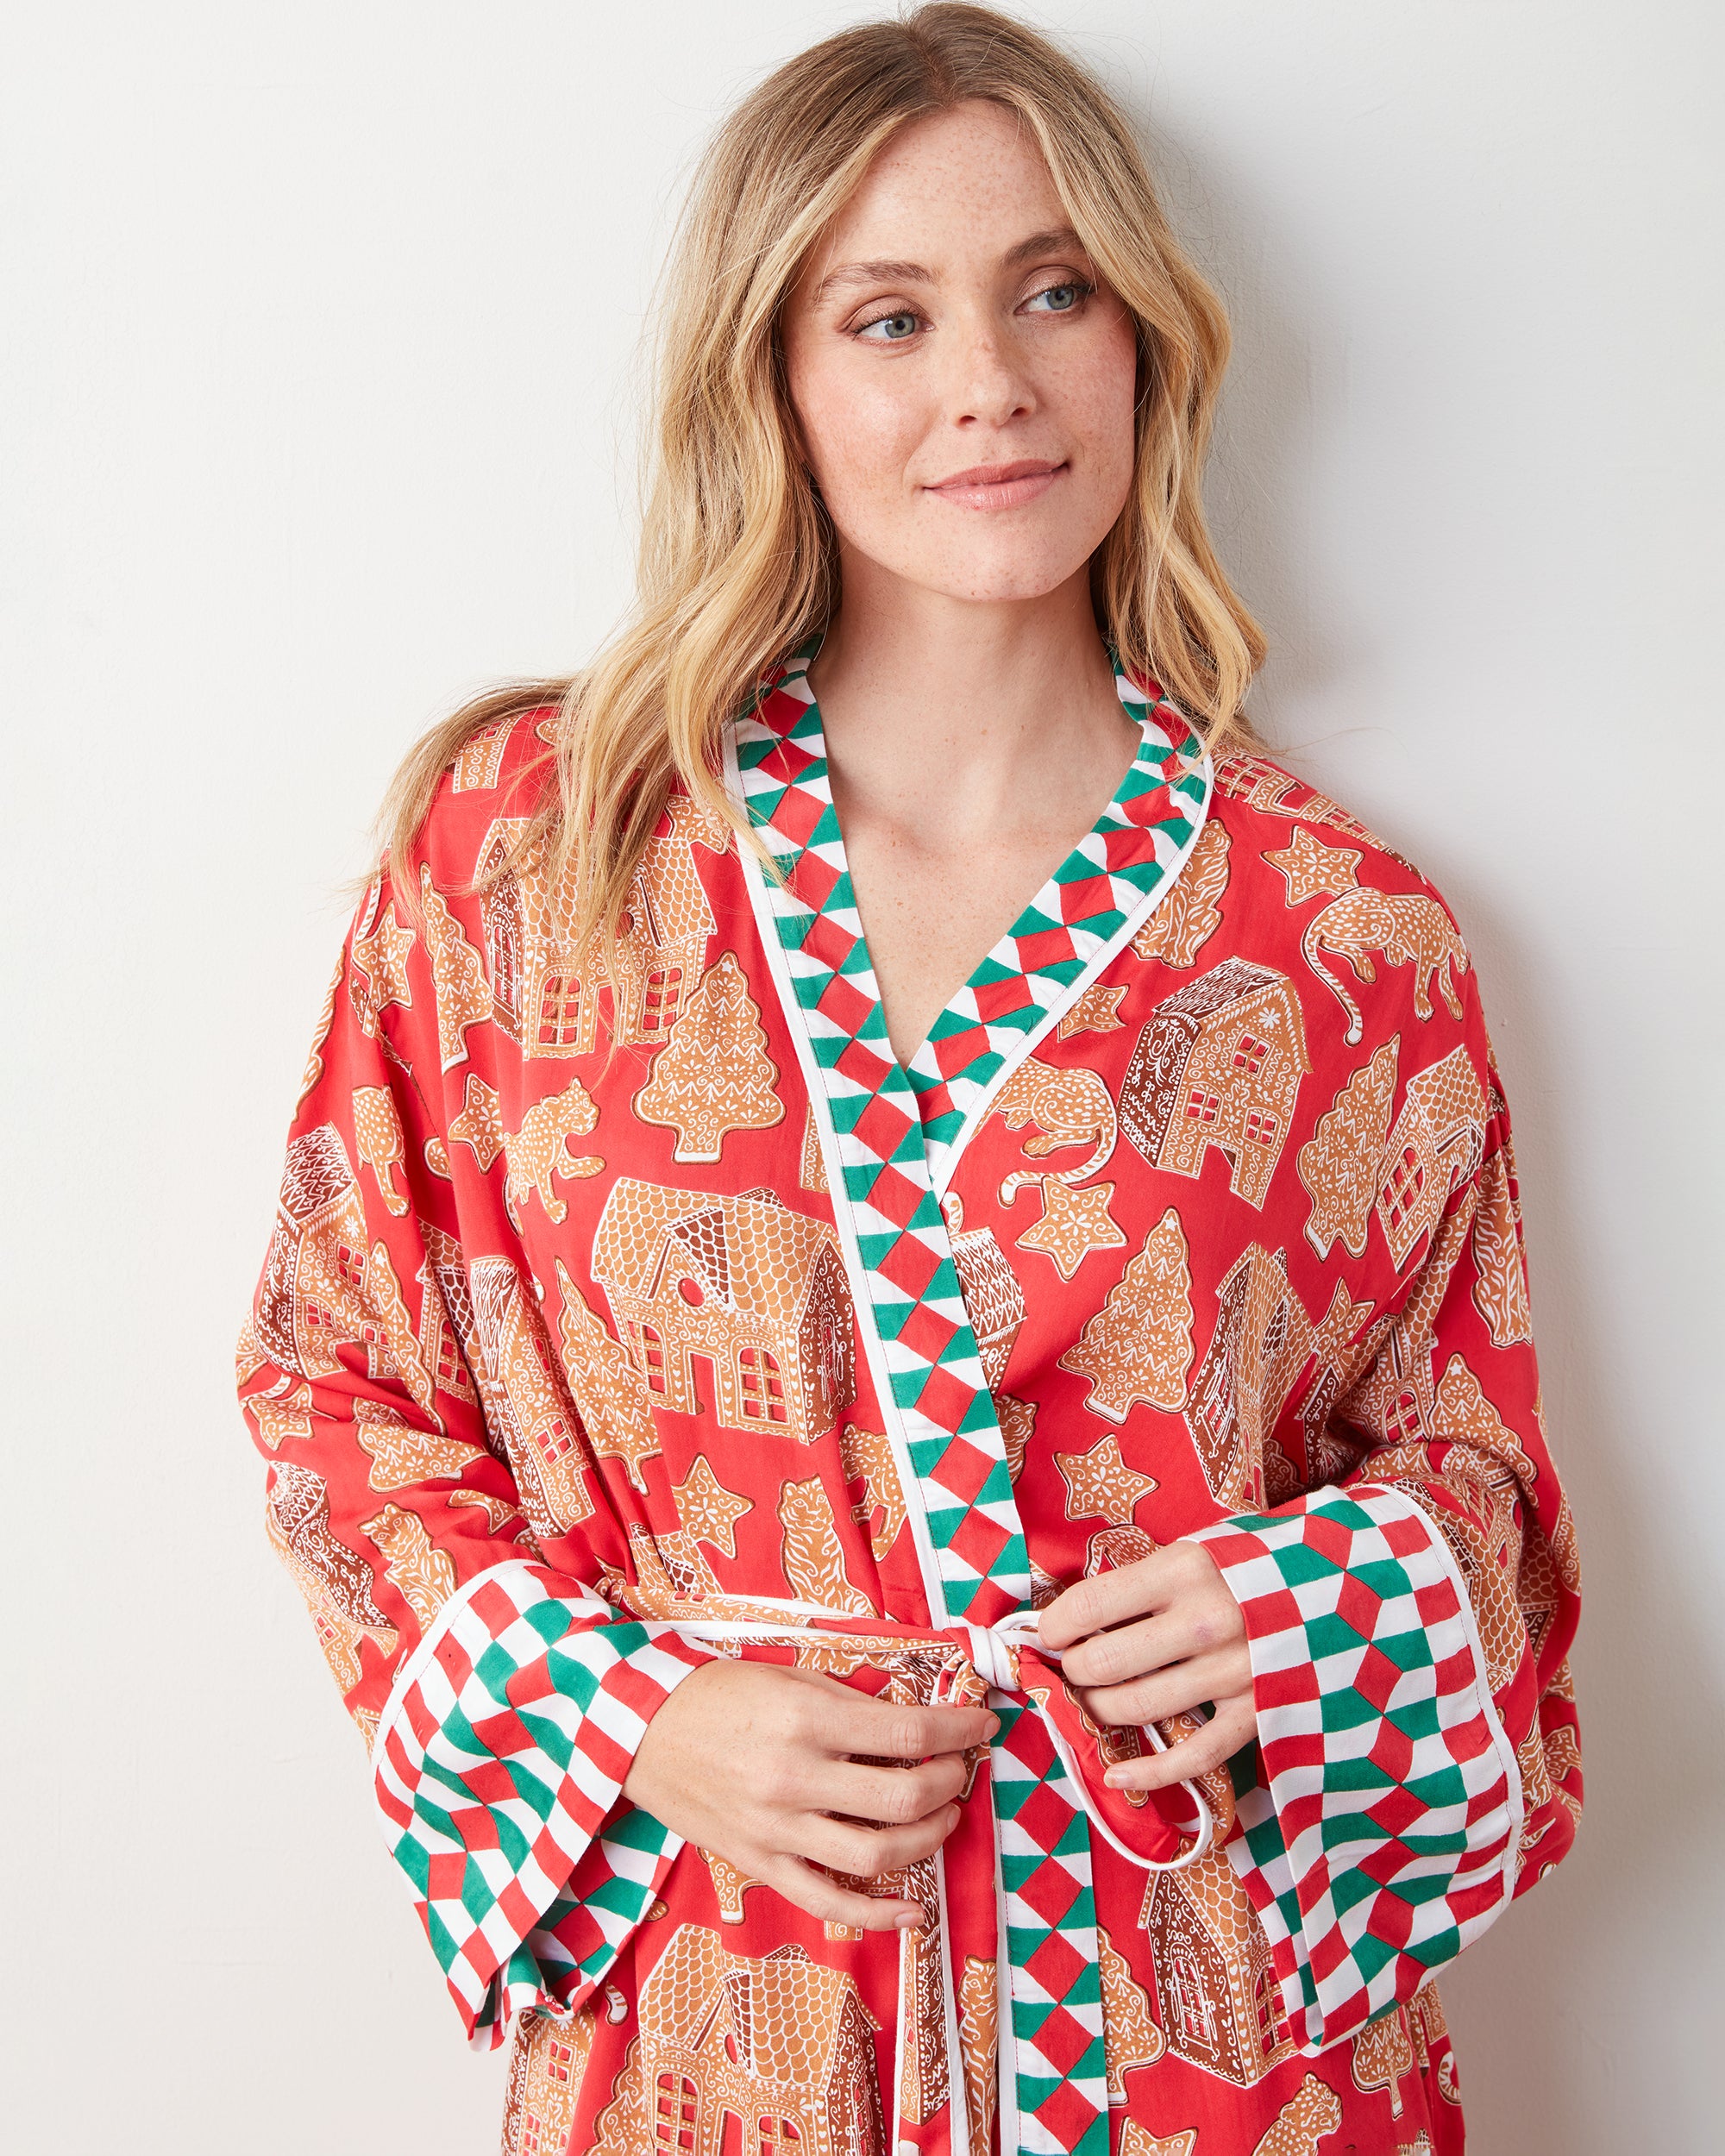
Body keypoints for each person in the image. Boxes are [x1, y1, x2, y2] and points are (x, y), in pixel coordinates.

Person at [237, 8, 1581, 2152]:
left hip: (1209, 2020)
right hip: (725, 1995)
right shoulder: (536, 853)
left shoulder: (1342, 933)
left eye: (1053, 291)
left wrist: (1300, 1611)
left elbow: (1478, 1476)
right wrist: (636, 1714)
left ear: (1142, 342)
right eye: (889, 316)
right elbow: (337, 1386)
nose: (991, 383)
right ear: (774, 377)